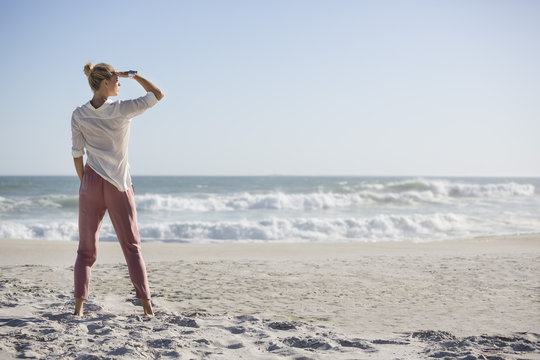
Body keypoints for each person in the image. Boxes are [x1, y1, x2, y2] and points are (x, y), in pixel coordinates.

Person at [71, 62, 164, 316]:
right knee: (131, 246)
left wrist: (84, 183)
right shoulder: (122, 109)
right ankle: (147, 308)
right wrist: (133, 75)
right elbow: (157, 95)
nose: (119, 83)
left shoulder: (79, 114)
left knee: (85, 248)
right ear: (104, 82)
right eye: (116, 79)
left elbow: (77, 154)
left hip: (90, 181)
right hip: (118, 183)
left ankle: (79, 308)